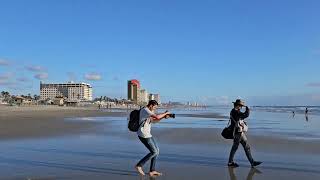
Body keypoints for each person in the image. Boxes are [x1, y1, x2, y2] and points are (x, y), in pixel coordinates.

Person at [135, 100, 171, 177]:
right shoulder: (145, 110)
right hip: (143, 134)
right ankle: (139, 165)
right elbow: (157, 116)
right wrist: (166, 113)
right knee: (154, 152)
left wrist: (164, 117)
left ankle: (152, 170)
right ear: (151, 105)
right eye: (154, 107)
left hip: (147, 134)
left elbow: (154, 121)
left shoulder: (148, 112)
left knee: (157, 151)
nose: (154, 109)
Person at [228, 99, 262, 168]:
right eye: (241, 106)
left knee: (242, 147)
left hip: (239, 132)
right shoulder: (235, 112)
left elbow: (242, 116)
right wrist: (248, 109)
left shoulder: (233, 111)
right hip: (238, 133)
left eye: (242, 106)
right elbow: (246, 115)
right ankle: (231, 162)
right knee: (238, 148)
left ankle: (252, 162)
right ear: (237, 105)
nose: (241, 107)